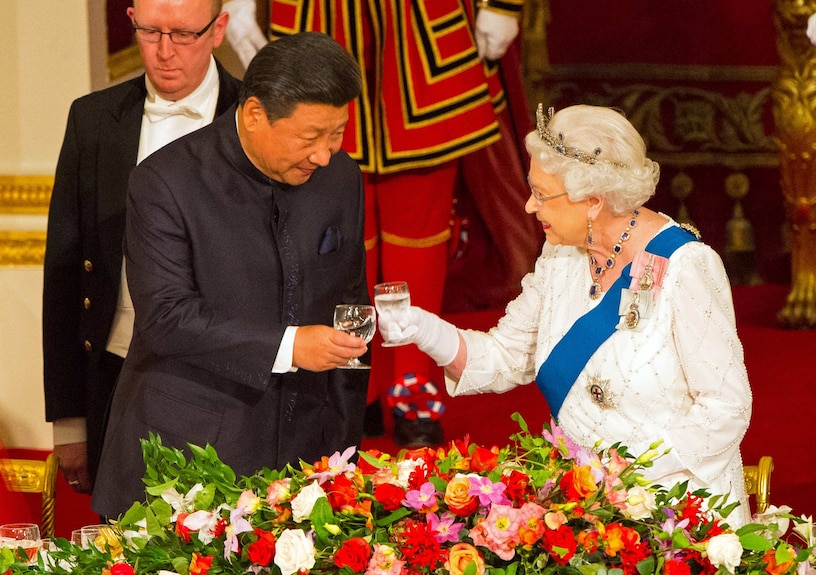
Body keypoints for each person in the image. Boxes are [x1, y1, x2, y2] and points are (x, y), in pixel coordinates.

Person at [378, 104, 754, 528]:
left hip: (680, 514)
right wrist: (425, 329)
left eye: (541, 194)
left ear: (592, 200)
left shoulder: (686, 267)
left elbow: (726, 408)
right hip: (588, 514)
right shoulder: (560, 256)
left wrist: (628, 478)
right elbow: (505, 356)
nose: (527, 206)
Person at [222, 0, 539, 447]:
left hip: (421, 29)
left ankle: (414, 398)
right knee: (335, 242)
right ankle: (354, 390)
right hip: (318, 19)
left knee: (421, 245)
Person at [91, 32, 368, 519]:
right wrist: (288, 346)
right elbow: (166, 318)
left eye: (337, 134)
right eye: (310, 138)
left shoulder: (340, 178)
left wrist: (345, 443)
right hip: (189, 455)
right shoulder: (165, 182)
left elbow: (349, 302)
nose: (324, 155)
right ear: (256, 113)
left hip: (306, 457)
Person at [42, 0, 241, 496]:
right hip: (116, 375)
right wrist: (69, 422)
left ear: (219, 29)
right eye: (149, 31)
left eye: (183, 35)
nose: (163, 52)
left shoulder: (254, 117)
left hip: (228, 386)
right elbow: (65, 269)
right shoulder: (93, 119)